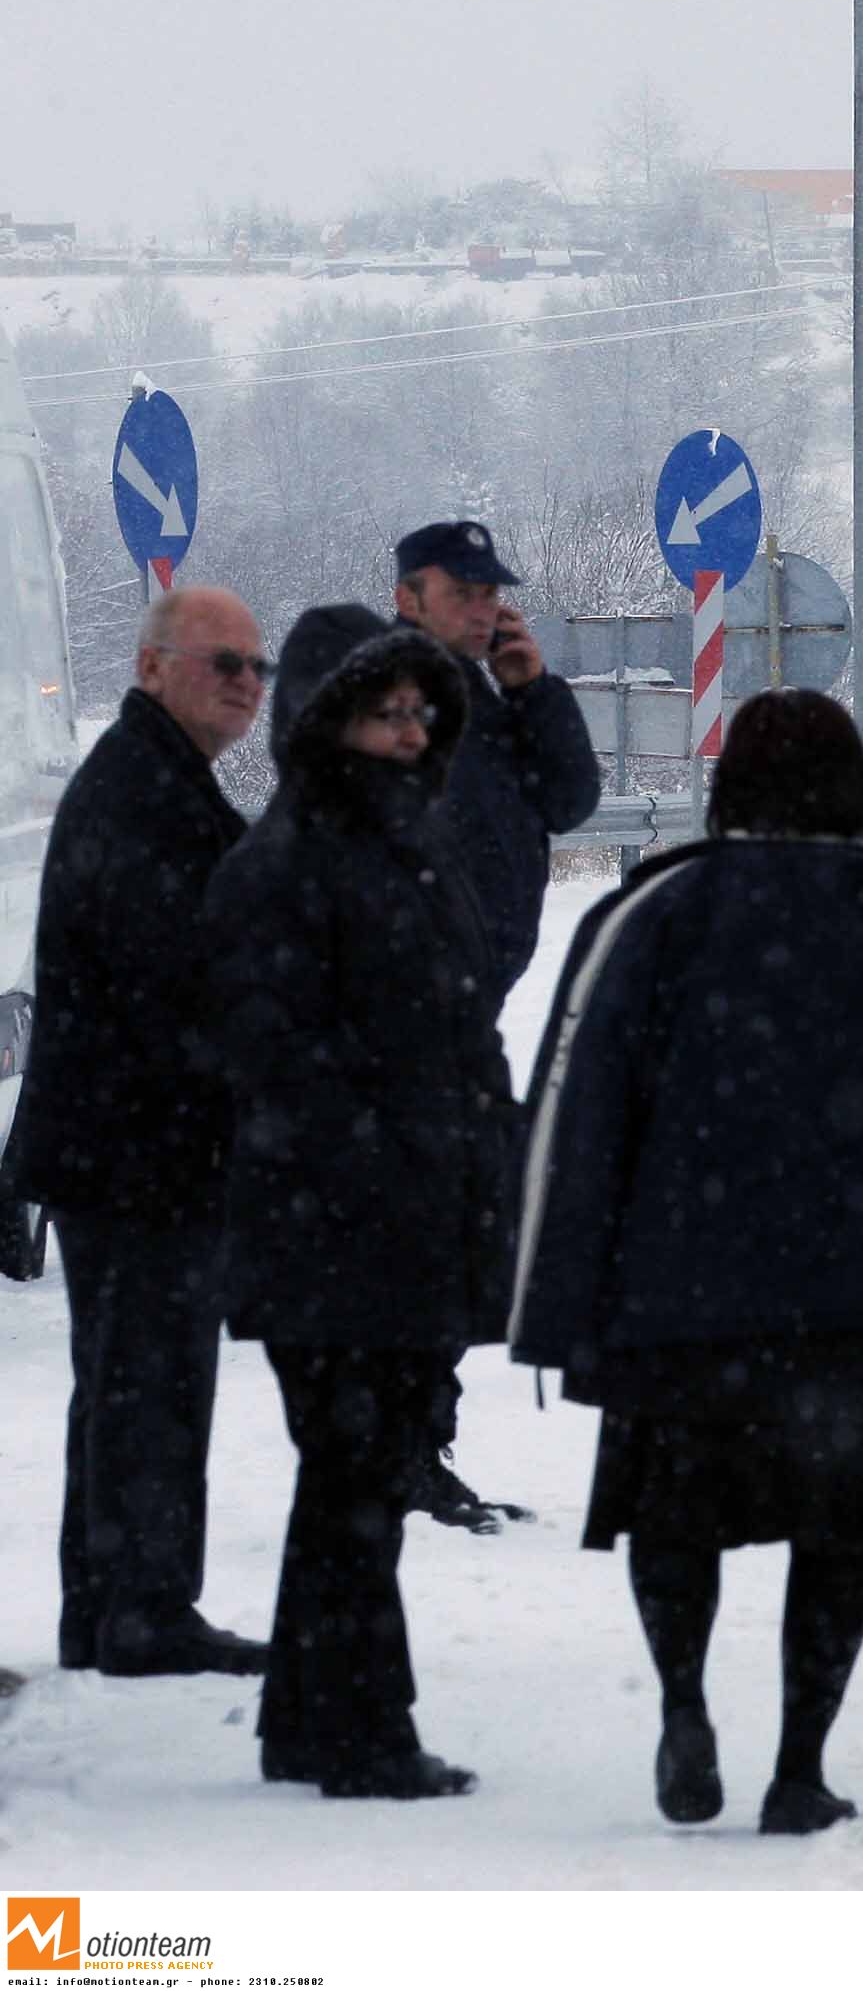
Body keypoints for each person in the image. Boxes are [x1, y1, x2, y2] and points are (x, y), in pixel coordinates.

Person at [510, 690, 863, 1836]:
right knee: (835, 1535)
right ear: (858, 790)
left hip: (677, 1301)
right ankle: (800, 1765)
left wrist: (549, 1295)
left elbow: (575, 1114)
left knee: (675, 1520)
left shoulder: (646, 919)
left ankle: (681, 1706)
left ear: (728, 788)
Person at [205, 607, 514, 1799]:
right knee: (357, 1479)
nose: (409, 731)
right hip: (335, 1230)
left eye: (420, 711)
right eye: (384, 712)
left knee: (353, 1478)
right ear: (327, 722)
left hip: (402, 1218)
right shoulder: (290, 863)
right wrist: (392, 1160)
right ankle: (363, 1733)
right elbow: (280, 1058)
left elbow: (454, 1026)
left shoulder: (407, 845)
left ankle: (306, 1716)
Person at [4, 587, 268, 1678]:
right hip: (137, 1144)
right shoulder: (143, 793)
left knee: (132, 1377)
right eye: (223, 664)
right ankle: (139, 1607)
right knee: (147, 1380)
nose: (246, 684)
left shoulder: (157, 777)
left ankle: (116, 1601)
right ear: (154, 666)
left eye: (256, 666)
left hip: (130, 1138)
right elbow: (177, 972)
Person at [389, 518, 595, 1534]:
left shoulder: (492, 699)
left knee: (467, 1237)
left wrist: (537, 689)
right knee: (430, 1243)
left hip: (472, 1013)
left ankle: (420, 1445)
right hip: (410, 1022)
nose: (480, 606)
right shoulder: (390, 702)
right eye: (459, 590)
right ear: (408, 595)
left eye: (488, 591)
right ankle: (402, 1453)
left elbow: (573, 798)